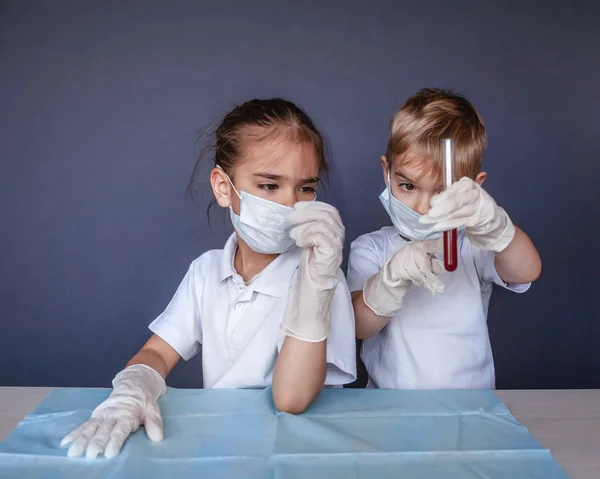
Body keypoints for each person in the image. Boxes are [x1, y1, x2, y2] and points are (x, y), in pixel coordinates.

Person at [61, 98, 357, 459]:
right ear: (222, 186)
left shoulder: (323, 281)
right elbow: (157, 350)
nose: (290, 204)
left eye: (306, 188)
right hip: (223, 447)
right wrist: (132, 390)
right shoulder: (206, 271)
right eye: (268, 186)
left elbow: (291, 400)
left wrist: (314, 288)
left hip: (300, 455)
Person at [347, 88, 541, 390]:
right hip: (388, 410)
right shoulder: (370, 248)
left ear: (474, 187)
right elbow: (358, 327)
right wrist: (389, 280)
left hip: (469, 409)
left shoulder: (473, 244)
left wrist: (498, 229)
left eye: (441, 191)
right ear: (387, 172)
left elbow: (527, 270)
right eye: (407, 185)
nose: (423, 207)